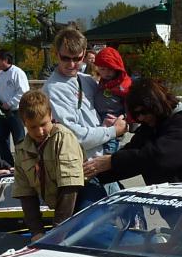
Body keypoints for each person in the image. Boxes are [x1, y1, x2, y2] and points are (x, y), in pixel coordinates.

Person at [43, 28, 126, 207]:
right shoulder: (53, 89)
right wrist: (113, 131)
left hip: (103, 165)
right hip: (82, 173)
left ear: (84, 56)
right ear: (56, 55)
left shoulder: (87, 80)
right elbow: (74, 137)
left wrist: (116, 120)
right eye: (65, 58)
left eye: (77, 58)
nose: (72, 64)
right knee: (93, 221)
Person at [83, 78, 182, 186]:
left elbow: (158, 157)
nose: (141, 118)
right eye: (136, 114)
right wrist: (95, 171)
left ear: (155, 105)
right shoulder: (151, 126)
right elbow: (133, 153)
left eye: (143, 112)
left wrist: (113, 161)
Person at [12, 90, 84, 240]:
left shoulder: (63, 138)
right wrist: (36, 232)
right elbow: (26, 194)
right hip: (59, 207)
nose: (39, 132)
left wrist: (57, 232)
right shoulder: (21, 149)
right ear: (24, 123)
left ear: (50, 115)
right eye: (32, 127)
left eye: (43, 124)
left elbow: (69, 188)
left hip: (82, 201)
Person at [0, 49, 29, 165]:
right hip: (1, 112)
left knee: (19, 140)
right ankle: (9, 164)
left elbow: (23, 92)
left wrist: (10, 103)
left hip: (15, 112)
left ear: (5, 60)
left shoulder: (17, 73)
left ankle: (23, 164)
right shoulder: (0, 74)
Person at [94, 46, 132, 154]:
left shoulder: (123, 85)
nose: (107, 72)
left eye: (110, 69)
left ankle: (109, 157)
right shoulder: (103, 82)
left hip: (113, 120)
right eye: (103, 69)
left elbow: (130, 104)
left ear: (117, 68)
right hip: (100, 119)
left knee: (110, 145)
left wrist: (125, 118)